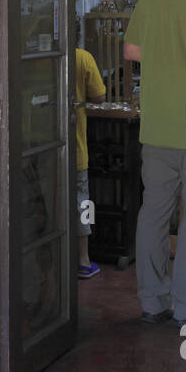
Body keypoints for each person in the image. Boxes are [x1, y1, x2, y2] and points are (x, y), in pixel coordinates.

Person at [123, 0, 186, 326]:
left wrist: (165, 57)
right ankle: (184, 306)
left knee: (154, 214)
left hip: (158, 125)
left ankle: (152, 301)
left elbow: (131, 51)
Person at [75, 46, 107, 279]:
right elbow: (99, 96)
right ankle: (83, 260)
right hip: (75, 148)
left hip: (35, 141)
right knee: (83, 205)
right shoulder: (83, 57)